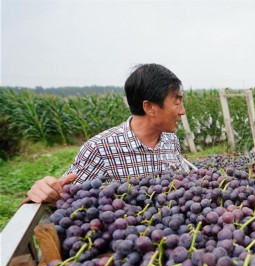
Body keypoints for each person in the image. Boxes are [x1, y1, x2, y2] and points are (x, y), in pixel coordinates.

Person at [26, 63, 193, 204]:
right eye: (177, 102)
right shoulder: (100, 149)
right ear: (149, 107)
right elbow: (63, 196)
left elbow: (186, 181)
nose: (183, 111)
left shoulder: (170, 140)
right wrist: (44, 192)